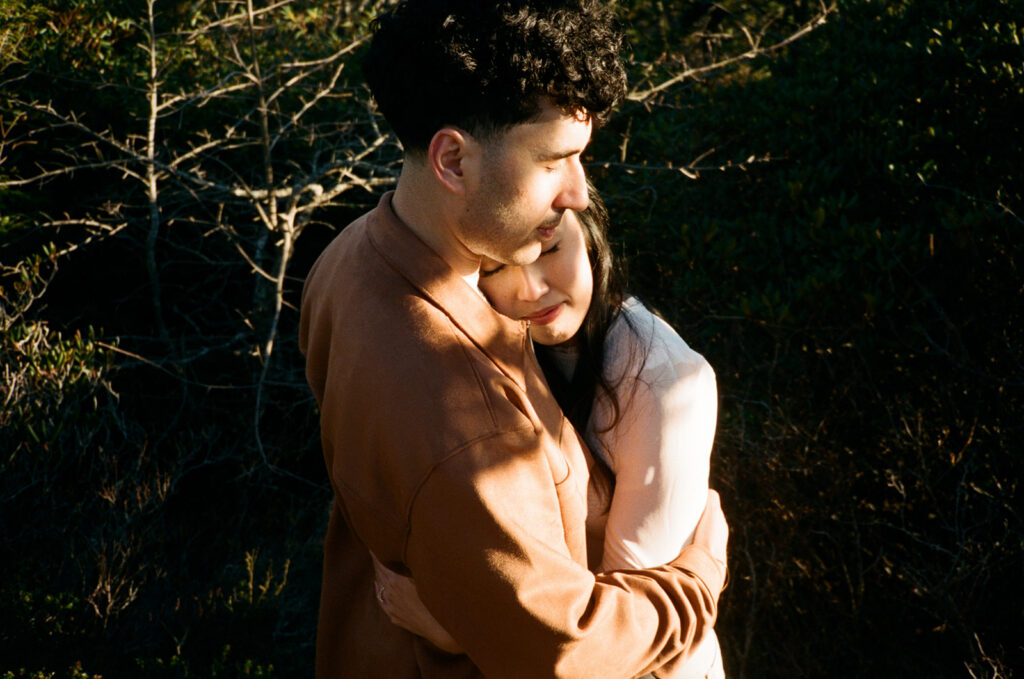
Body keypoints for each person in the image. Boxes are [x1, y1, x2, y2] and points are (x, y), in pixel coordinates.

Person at [298, 1, 728, 677]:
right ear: (452, 160)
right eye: (555, 159)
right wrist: (697, 577)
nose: (580, 194)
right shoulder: (469, 417)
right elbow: (565, 650)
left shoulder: (347, 263)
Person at [373, 186, 726, 679]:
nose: (531, 289)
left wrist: (453, 627)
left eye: (549, 249)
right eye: (496, 268)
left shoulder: (663, 384)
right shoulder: (489, 353)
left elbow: (620, 635)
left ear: (591, 232)